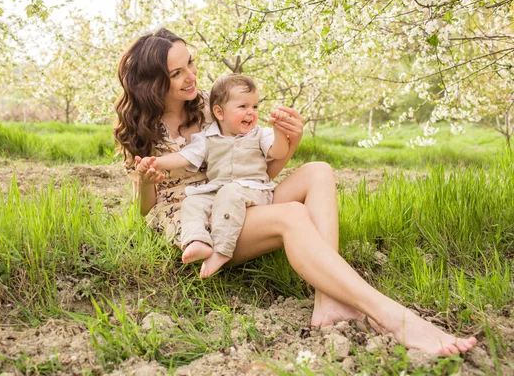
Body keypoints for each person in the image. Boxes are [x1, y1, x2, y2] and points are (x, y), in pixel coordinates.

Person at [113, 28, 477, 356]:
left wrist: (292, 138)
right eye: (177, 73)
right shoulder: (140, 130)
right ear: (153, 82)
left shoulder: (214, 105)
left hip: (242, 196)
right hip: (198, 223)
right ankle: (395, 317)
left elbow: (261, 171)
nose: (191, 76)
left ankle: (328, 300)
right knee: (292, 215)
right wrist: (145, 181)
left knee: (318, 171)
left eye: (190, 63)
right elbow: (146, 210)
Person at [135, 74, 290, 278]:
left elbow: (277, 153)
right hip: (219, 192)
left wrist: (279, 133)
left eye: (255, 107)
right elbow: (184, 156)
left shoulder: (260, 134)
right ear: (219, 112)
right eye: (243, 107)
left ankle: (221, 251)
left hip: (254, 192)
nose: (251, 113)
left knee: (230, 192)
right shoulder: (207, 138)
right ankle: (197, 240)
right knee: (193, 202)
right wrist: (155, 163)